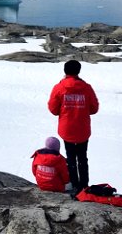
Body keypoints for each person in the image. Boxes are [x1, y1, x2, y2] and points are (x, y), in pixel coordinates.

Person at [48, 59, 99, 194]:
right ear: (78, 71)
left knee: (70, 158)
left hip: (67, 129)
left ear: (65, 71)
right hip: (83, 129)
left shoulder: (59, 87)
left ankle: (74, 185)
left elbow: (53, 109)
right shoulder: (86, 87)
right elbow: (94, 108)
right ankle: (84, 186)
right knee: (82, 157)